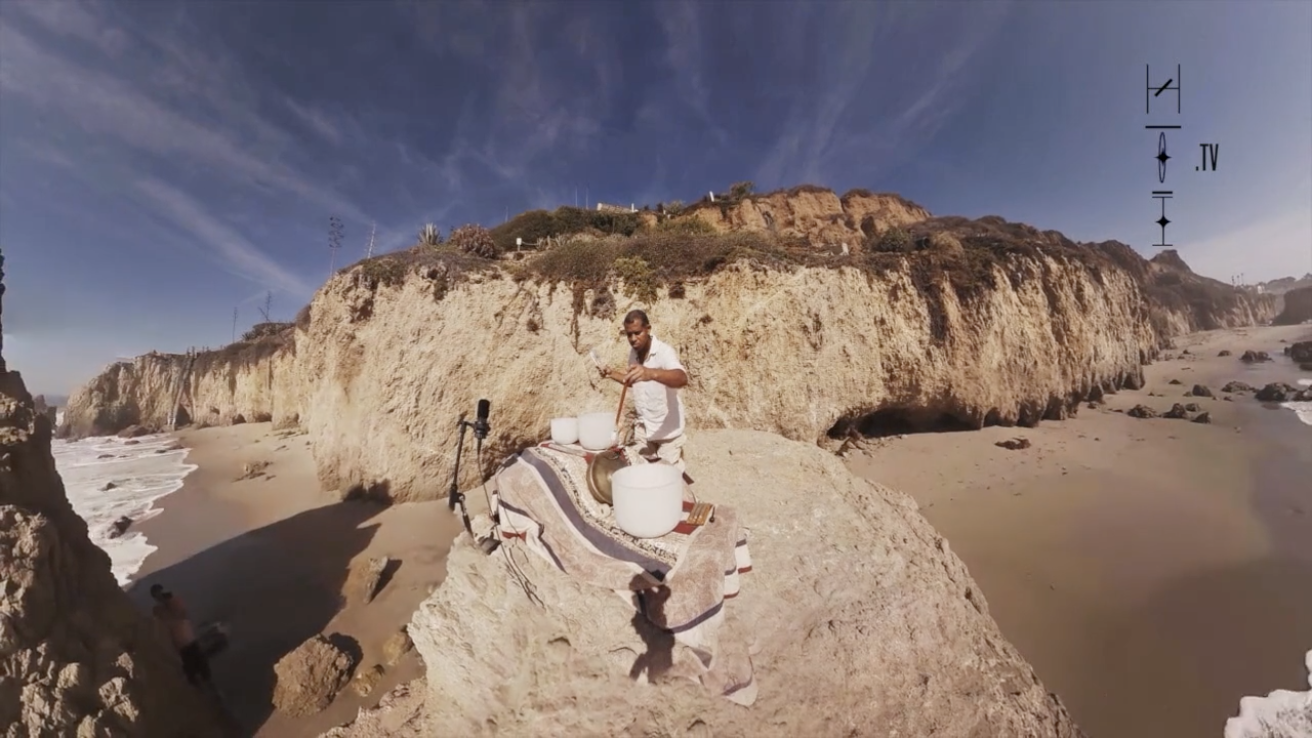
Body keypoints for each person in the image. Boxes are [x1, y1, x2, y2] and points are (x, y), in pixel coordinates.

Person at [599, 310, 689, 471]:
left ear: (648, 328)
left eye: (637, 333)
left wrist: (651, 373)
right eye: (629, 335)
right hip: (644, 430)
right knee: (638, 473)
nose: (633, 339)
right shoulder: (633, 354)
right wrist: (611, 373)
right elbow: (635, 381)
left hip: (668, 434)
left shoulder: (664, 352)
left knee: (666, 480)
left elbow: (682, 378)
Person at [150, 583, 213, 689]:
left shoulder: (175, 602)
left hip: (190, 641)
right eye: (157, 596)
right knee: (192, 674)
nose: (159, 597)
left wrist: (169, 599)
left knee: (204, 670)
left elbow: (182, 613)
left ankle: (212, 692)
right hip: (181, 646)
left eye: (160, 593)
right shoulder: (158, 610)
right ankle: (203, 692)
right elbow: (160, 619)